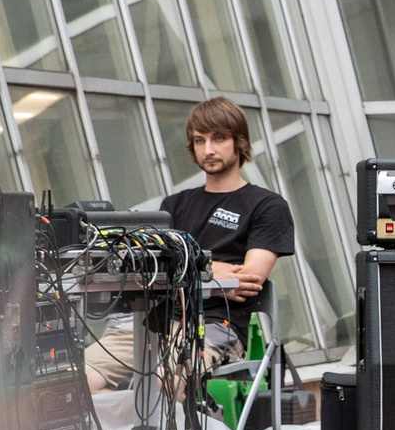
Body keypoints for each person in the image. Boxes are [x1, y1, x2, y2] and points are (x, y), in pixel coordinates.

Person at [85, 97, 295, 392]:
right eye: (199, 140)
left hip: (211, 326)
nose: (208, 149)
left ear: (239, 142)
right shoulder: (174, 205)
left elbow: (248, 278)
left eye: (219, 138)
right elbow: (151, 265)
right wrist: (209, 270)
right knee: (78, 381)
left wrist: (181, 268)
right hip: (149, 322)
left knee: (163, 383)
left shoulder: (266, 205)